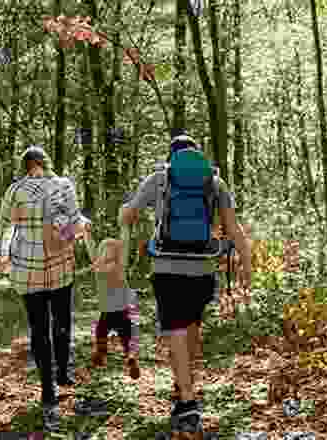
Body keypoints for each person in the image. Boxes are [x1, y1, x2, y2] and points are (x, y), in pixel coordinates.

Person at [121, 134, 253, 432]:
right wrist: (247, 264)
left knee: (176, 330)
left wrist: (126, 214)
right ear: (198, 156)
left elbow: (129, 215)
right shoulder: (215, 182)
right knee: (191, 325)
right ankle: (185, 383)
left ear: (171, 157)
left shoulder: (158, 179)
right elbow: (233, 228)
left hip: (167, 267)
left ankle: (187, 401)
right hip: (203, 270)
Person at [0, 145, 87, 432]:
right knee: (62, 321)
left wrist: (3, 257)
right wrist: (79, 233)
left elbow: (4, 229)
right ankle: (63, 374)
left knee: (38, 327)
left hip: (27, 270)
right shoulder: (63, 186)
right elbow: (75, 224)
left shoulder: (15, 191)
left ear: (25, 165)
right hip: (60, 267)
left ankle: (47, 388)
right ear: (45, 163)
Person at [87, 204, 141, 380]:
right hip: (123, 310)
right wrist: (124, 225)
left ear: (100, 253)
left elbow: (90, 246)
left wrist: (86, 233)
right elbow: (125, 243)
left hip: (107, 312)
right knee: (126, 338)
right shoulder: (120, 265)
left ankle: (101, 353)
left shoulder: (98, 267)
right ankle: (130, 358)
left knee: (101, 333)